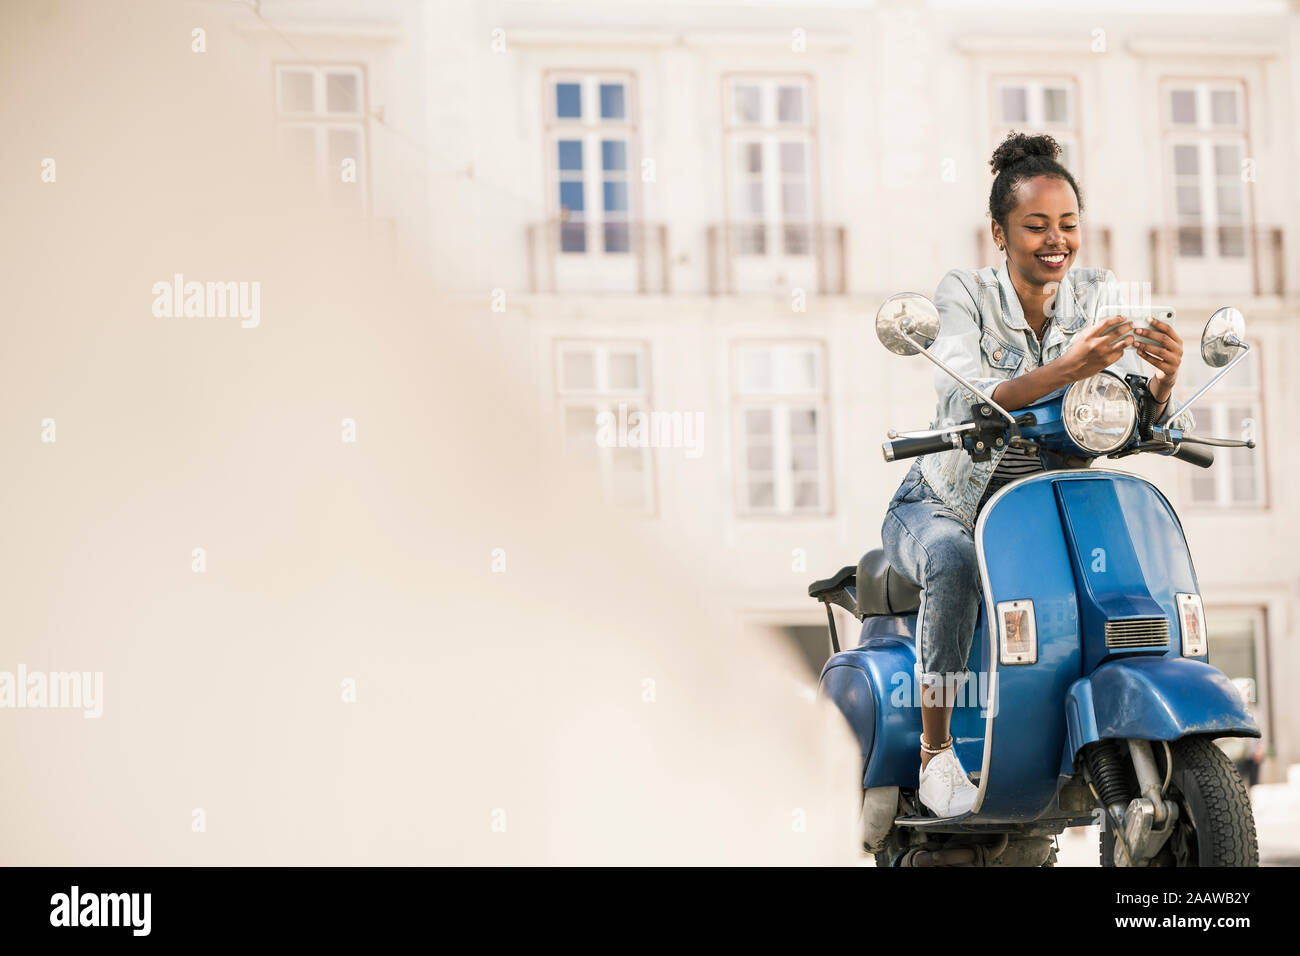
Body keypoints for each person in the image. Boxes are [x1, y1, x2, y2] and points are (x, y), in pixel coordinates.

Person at [881, 131, 1188, 817]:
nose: (1057, 240)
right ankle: (936, 751)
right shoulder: (962, 291)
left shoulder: (1095, 293)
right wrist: (1066, 368)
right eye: (1037, 225)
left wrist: (1164, 383)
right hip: (946, 499)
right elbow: (967, 396)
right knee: (955, 562)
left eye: (1069, 225)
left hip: (1049, 503)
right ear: (999, 231)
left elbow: (1114, 407)